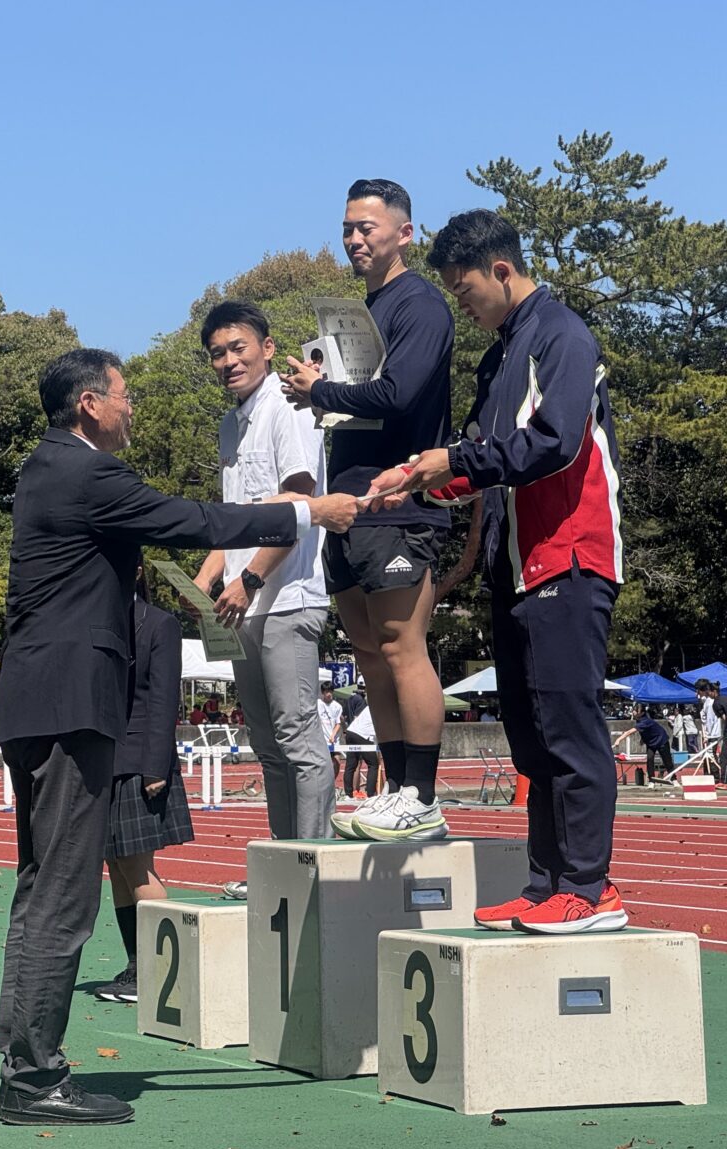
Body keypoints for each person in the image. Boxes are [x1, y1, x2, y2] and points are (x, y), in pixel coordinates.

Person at [0, 349, 359, 1126]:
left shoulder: (42, 469)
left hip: (33, 700)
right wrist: (306, 514)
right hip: (69, 705)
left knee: (40, 891)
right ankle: (32, 1078)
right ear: (90, 404)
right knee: (60, 896)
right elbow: (195, 521)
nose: (133, 408)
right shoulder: (90, 475)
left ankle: (25, 1064)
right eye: (123, 396)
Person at [370, 208, 628, 933]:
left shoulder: (562, 335)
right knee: (529, 730)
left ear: (502, 271)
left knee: (569, 728)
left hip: (570, 557)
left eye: (465, 292)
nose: (463, 305)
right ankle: (549, 882)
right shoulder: (502, 353)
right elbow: (482, 452)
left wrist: (454, 462)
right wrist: (421, 478)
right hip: (513, 564)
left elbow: (553, 444)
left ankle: (591, 886)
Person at [281, 178, 454, 840]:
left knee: (400, 643)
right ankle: (397, 785)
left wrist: (321, 385)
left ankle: (425, 794)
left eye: (367, 228)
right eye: (348, 228)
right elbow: (361, 398)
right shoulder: (361, 311)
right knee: (367, 651)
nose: (354, 239)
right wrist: (319, 394)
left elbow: (402, 394)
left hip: (399, 499)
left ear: (404, 233)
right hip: (348, 498)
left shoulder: (421, 306)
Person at [193, 300, 334, 893]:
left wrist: (247, 580)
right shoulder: (232, 423)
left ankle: (312, 867)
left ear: (268, 348)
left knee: (299, 738)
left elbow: (297, 505)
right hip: (240, 605)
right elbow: (233, 518)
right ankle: (283, 866)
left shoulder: (290, 407)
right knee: (267, 743)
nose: (228, 361)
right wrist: (204, 580)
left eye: (238, 348)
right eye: (218, 353)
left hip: (289, 597)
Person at [90, 591, 192, 1005]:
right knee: (116, 866)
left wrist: (156, 767)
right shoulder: (96, 616)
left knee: (138, 869)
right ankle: (137, 964)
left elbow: (165, 700)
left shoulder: (159, 623)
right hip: (105, 758)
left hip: (140, 763)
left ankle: (166, 971)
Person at [339, 681, 379, 800]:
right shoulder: (377, 708)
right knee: (373, 764)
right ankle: (371, 794)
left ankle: (348, 794)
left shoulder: (367, 706)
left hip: (351, 732)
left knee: (351, 764)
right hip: (361, 735)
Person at [613, 705, 672, 781]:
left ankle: (674, 779)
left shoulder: (645, 721)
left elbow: (629, 732)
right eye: (633, 710)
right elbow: (646, 731)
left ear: (641, 713)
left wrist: (618, 739)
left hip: (661, 740)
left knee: (667, 761)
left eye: (635, 710)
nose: (633, 712)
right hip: (651, 743)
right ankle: (651, 780)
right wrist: (643, 739)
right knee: (650, 759)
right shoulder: (639, 720)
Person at [316, 681, 345, 783]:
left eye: (330, 692)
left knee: (337, 761)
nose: (328, 694)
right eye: (326, 692)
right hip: (321, 740)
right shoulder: (318, 704)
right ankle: (323, 783)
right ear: (322, 693)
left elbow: (338, 723)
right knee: (323, 763)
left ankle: (332, 783)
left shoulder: (337, 706)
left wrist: (333, 735)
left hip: (333, 740)